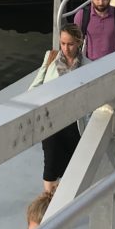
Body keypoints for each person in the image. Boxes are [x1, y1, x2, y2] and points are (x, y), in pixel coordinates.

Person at [29, 24, 85, 192]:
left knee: (71, 166)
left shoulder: (88, 65)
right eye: (62, 43)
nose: (65, 48)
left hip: (73, 123)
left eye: (70, 44)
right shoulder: (51, 58)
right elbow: (35, 87)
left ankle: (64, 197)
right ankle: (48, 199)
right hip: (50, 120)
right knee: (50, 164)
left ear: (79, 43)